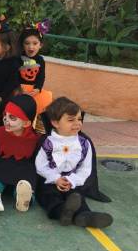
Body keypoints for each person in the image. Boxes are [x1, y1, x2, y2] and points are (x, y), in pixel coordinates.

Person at [35, 97, 113, 228]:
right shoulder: (47, 143)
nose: (77, 123)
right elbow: (41, 166)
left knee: (76, 195)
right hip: (50, 181)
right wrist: (56, 179)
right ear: (55, 123)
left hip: (72, 180)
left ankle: (85, 216)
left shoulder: (84, 143)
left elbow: (85, 168)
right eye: (71, 120)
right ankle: (62, 212)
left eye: (79, 119)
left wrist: (72, 180)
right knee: (49, 196)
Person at [0, 94, 40, 213]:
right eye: (5, 115)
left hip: (23, 171)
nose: (6, 121)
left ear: (26, 123)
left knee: (29, 172)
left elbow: (37, 160)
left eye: (12, 118)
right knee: (0, 168)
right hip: (2, 166)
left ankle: (24, 198)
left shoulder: (35, 140)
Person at [18, 22, 53, 117]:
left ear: (40, 45)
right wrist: (18, 88)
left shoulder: (40, 60)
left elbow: (41, 77)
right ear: (22, 45)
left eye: (35, 43)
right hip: (19, 89)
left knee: (40, 105)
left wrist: (38, 88)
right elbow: (13, 75)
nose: (31, 47)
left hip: (33, 91)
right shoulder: (18, 58)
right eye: (27, 43)